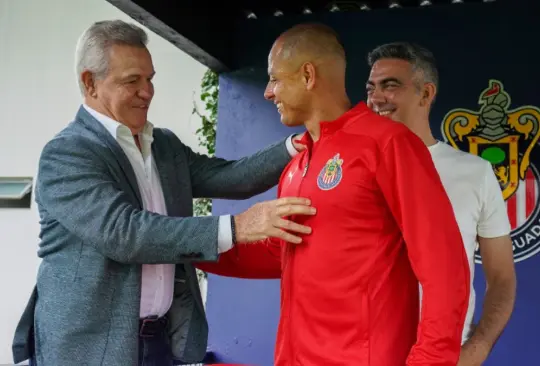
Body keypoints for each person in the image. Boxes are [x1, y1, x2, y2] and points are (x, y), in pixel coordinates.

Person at [11, 20, 317, 366]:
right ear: (89, 82)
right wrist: (237, 227)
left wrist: (300, 143)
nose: (147, 91)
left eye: (149, 79)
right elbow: (126, 234)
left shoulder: (163, 145)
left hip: (160, 344)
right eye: (132, 81)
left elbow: (230, 176)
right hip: (88, 352)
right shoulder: (67, 154)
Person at [196, 23, 470, 365]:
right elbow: (282, 252)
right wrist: (181, 243)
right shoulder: (299, 161)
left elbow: (445, 268)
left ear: (308, 75)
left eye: (275, 78)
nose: (268, 91)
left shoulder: (388, 143)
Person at [365, 42, 516, 365]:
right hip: (360, 354)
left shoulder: (474, 172)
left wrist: (476, 350)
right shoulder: (352, 168)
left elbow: (501, 276)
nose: (376, 99)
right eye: (371, 88)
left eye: (390, 86)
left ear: (425, 94)